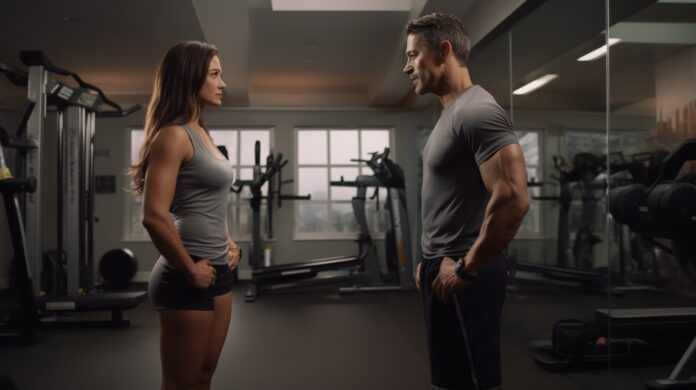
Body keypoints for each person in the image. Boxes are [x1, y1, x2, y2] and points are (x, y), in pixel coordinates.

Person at [403, 13, 530, 390]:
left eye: (413, 55)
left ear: (443, 51)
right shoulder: (451, 113)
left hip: (463, 273)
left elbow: (514, 200)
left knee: (472, 383)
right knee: (449, 381)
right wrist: (428, 261)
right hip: (443, 267)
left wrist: (466, 269)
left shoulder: (477, 111)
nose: (406, 66)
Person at [129, 41, 240, 390]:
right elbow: (154, 215)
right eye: (215, 74)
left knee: (205, 373)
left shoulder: (203, 133)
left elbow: (206, 201)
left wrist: (228, 239)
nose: (223, 83)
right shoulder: (173, 136)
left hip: (218, 269)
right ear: (190, 77)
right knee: (181, 381)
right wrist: (189, 269)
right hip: (185, 270)